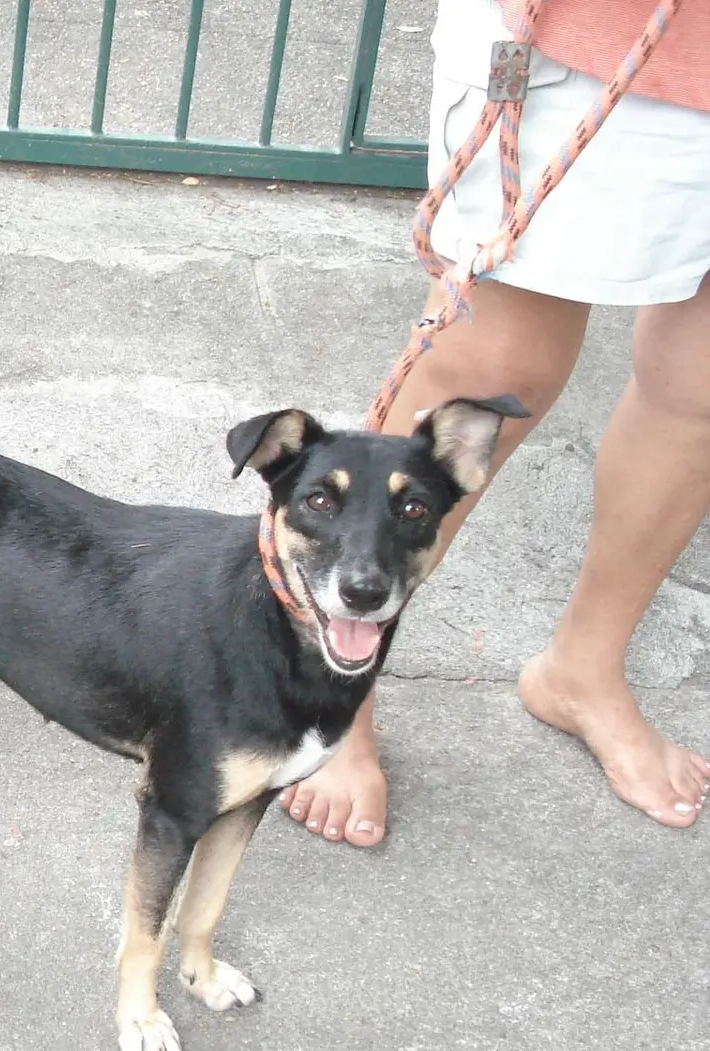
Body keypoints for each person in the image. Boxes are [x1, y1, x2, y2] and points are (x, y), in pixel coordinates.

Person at [280, 0, 710, 845]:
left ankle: (584, 668)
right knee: (495, 362)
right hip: (595, 36)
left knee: (702, 385)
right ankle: (328, 689)